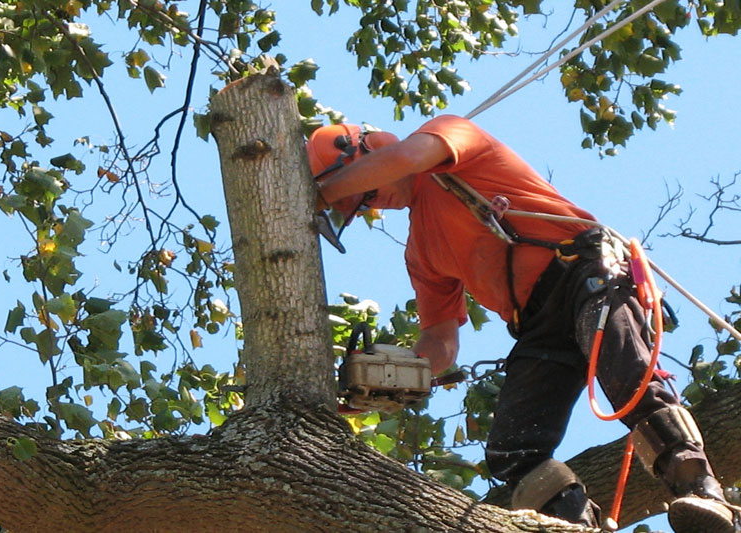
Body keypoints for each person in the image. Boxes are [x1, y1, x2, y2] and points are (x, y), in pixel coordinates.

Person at [306, 115, 738, 533]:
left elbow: (409, 157)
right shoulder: (421, 250)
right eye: (357, 207)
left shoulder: (445, 136)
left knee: (623, 374)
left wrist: (324, 193)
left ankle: (701, 489)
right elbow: (441, 341)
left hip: (583, 274)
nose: (369, 204)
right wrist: (391, 380)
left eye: (361, 192)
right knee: (512, 450)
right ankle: (572, 524)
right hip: (537, 326)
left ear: (365, 150)